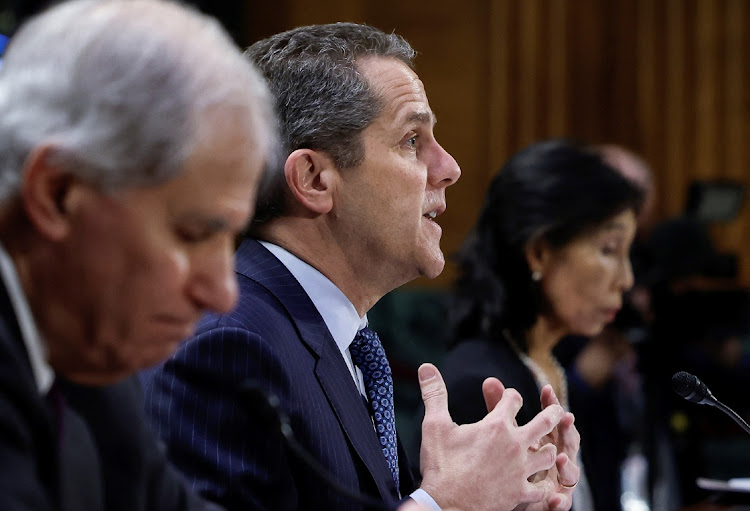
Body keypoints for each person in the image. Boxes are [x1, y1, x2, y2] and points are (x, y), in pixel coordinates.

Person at [143, 23, 581, 511]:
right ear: (313, 179)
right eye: (413, 140)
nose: (449, 167)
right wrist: (447, 505)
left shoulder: (340, 339)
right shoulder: (230, 346)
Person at [0, 1, 275, 510]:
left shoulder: (91, 355)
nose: (222, 293)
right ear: (58, 192)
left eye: (231, 240)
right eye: (193, 234)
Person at [440, 139, 644, 511]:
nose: (626, 280)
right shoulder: (480, 387)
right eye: (609, 250)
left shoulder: (553, 365)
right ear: (539, 252)